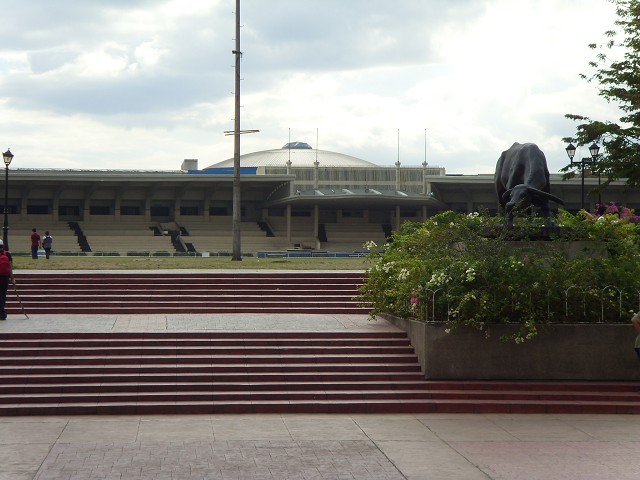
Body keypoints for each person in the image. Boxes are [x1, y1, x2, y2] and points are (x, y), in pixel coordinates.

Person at [0, 239, 13, 320]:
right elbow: (10, 267)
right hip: (5, 277)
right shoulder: (7, 254)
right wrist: (12, 278)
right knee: (3, 295)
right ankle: (2, 313)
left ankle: (1, 312)